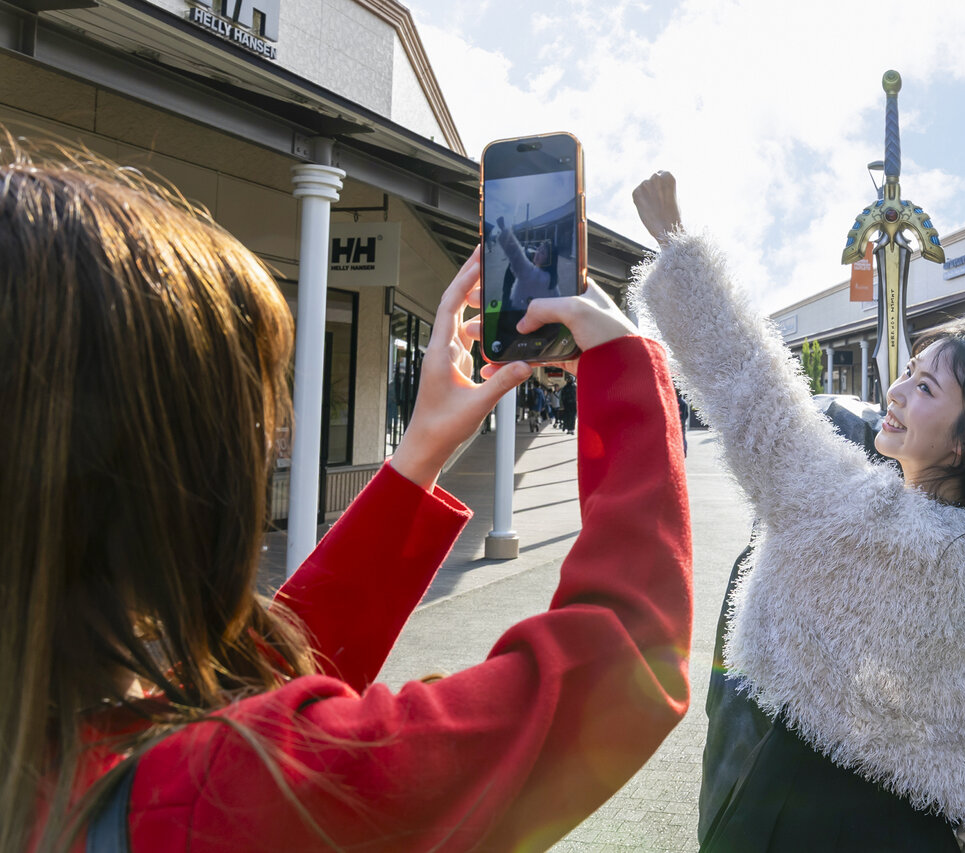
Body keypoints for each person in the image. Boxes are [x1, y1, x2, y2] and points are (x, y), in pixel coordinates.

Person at [2, 137, 693, 853]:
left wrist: (417, 457)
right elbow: (622, 665)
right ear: (162, 476)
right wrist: (629, 371)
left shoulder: (54, 743)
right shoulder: (225, 790)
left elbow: (239, 678)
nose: (276, 437)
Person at [631, 171, 965, 852]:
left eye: (924, 387)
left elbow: (754, 395)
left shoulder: (858, 521)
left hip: (788, 816)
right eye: (908, 374)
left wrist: (674, 241)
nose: (894, 392)